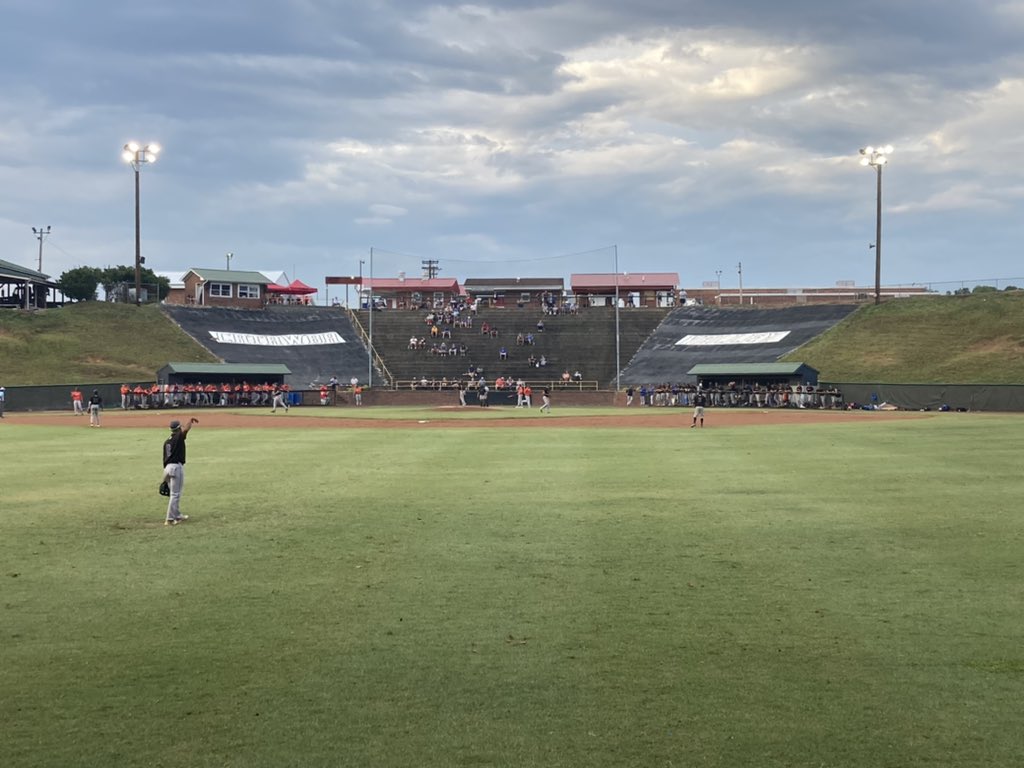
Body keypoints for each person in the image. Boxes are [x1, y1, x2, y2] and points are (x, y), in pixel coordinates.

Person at [162, 417, 198, 525]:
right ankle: (169, 519)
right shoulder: (178, 438)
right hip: (176, 467)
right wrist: (190, 422)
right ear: (178, 428)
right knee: (175, 494)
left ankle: (176, 514)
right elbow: (185, 430)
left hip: (167, 468)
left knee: (175, 493)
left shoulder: (167, 441)